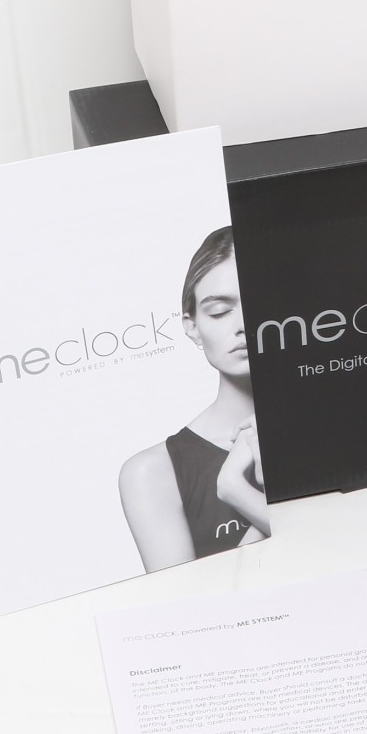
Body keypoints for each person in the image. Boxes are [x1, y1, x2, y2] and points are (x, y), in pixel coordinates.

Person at [118, 227, 270, 569]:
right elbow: (194, 602)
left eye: (261, 302)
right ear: (192, 327)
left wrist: (238, 490)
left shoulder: (332, 428)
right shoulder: (154, 472)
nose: (243, 324)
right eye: (220, 312)